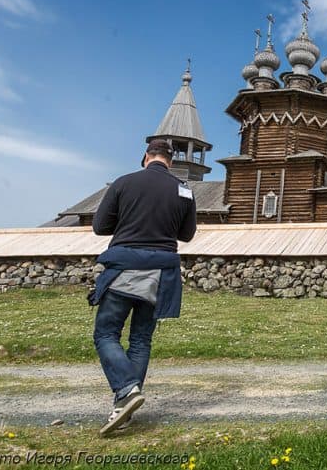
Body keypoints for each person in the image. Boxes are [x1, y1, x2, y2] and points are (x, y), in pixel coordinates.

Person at [90, 139, 197, 435]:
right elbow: (186, 235)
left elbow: (100, 226)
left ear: (145, 157)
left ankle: (126, 390)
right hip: (161, 273)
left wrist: (129, 221)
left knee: (106, 333)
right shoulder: (184, 190)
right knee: (140, 340)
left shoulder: (125, 183)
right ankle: (123, 407)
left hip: (124, 267)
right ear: (171, 161)